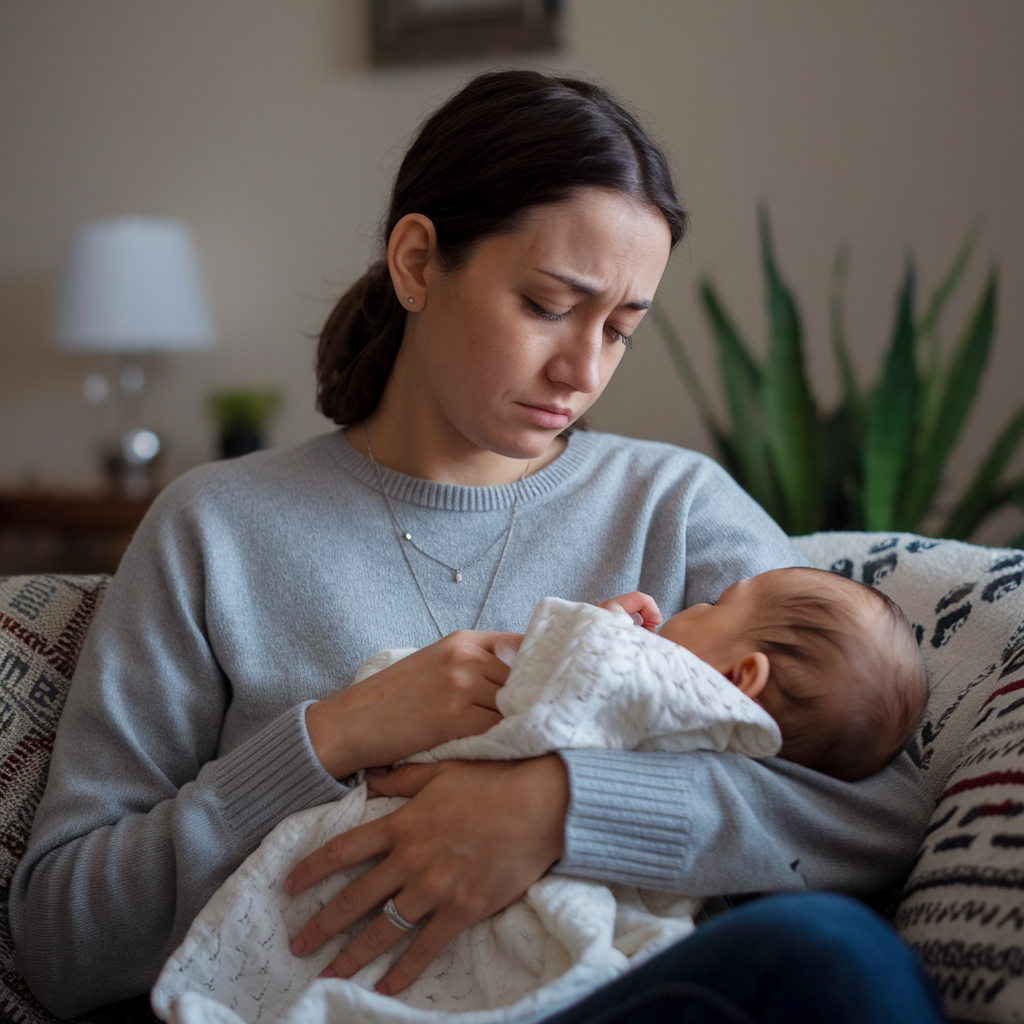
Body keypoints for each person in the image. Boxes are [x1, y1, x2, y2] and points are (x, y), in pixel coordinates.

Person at [10, 70, 937, 1020]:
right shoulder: (213, 529)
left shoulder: (675, 506)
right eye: (547, 305)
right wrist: (334, 736)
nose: (583, 370)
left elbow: (884, 810)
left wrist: (558, 809)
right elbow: (63, 933)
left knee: (830, 957)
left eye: (621, 330)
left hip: (602, 1000)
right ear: (418, 261)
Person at [602, 565, 929, 783]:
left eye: (717, 603)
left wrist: (600, 629)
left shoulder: (644, 693)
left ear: (738, 677)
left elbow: (565, 673)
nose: (700, 603)